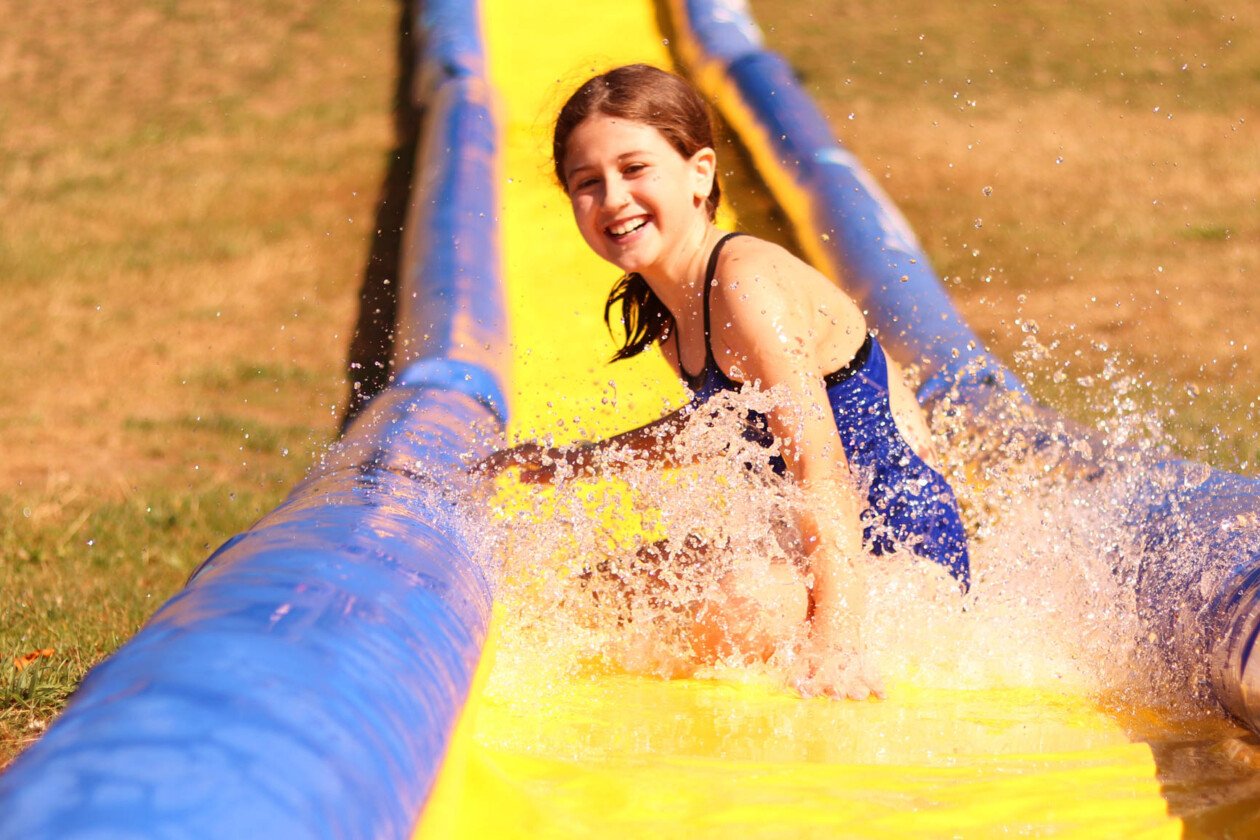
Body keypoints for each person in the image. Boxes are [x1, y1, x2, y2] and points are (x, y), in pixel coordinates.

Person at [481, 64, 969, 700]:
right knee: (587, 592)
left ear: (700, 172)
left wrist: (839, 644)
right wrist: (580, 462)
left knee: (749, 596)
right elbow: (724, 421)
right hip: (817, 560)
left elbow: (821, 469)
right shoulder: (668, 310)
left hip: (904, 569)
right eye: (587, 183)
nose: (614, 199)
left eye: (635, 169)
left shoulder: (745, 286)